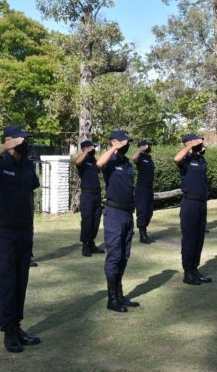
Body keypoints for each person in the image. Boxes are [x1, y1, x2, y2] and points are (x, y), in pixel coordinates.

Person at [0, 125, 41, 353]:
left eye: (25, 139)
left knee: (21, 282)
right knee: (7, 283)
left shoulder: (27, 165)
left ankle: (17, 327)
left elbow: (30, 198)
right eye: (19, 139)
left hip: (24, 231)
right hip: (6, 233)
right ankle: (8, 331)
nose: (24, 143)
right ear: (9, 139)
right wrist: (4, 147)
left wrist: (31, 230)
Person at [96, 130, 140, 312]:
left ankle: (120, 295)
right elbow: (99, 163)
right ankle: (112, 299)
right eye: (123, 142)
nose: (126, 145)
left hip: (127, 214)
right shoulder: (111, 161)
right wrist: (113, 147)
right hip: (114, 213)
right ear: (114, 142)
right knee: (114, 255)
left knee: (124, 255)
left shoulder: (127, 163)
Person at [174, 134, 213, 284]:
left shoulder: (201, 159)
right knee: (189, 239)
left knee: (199, 239)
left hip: (202, 203)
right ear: (187, 143)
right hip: (189, 203)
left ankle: (195, 269)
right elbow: (176, 159)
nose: (199, 143)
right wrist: (190, 146)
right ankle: (188, 273)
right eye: (196, 140)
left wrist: (198, 147)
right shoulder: (185, 160)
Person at [75, 140, 105, 257]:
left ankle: (92, 243)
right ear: (85, 148)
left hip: (97, 194)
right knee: (87, 221)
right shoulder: (82, 161)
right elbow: (77, 162)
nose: (94, 150)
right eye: (92, 148)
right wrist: (86, 152)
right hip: (87, 195)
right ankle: (85, 245)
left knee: (96, 220)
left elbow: (101, 167)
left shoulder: (93, 161)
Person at [133, 140, 155, 244]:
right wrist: (140, 149)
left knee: (149, 212)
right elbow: (133, 158)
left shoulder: (149, 158)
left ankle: (144, 231)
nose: (150, 146)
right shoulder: (140, 157)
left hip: (149, 188)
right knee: (142, 212)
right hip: (141, 189)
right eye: (148, 145)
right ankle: (143, 235)